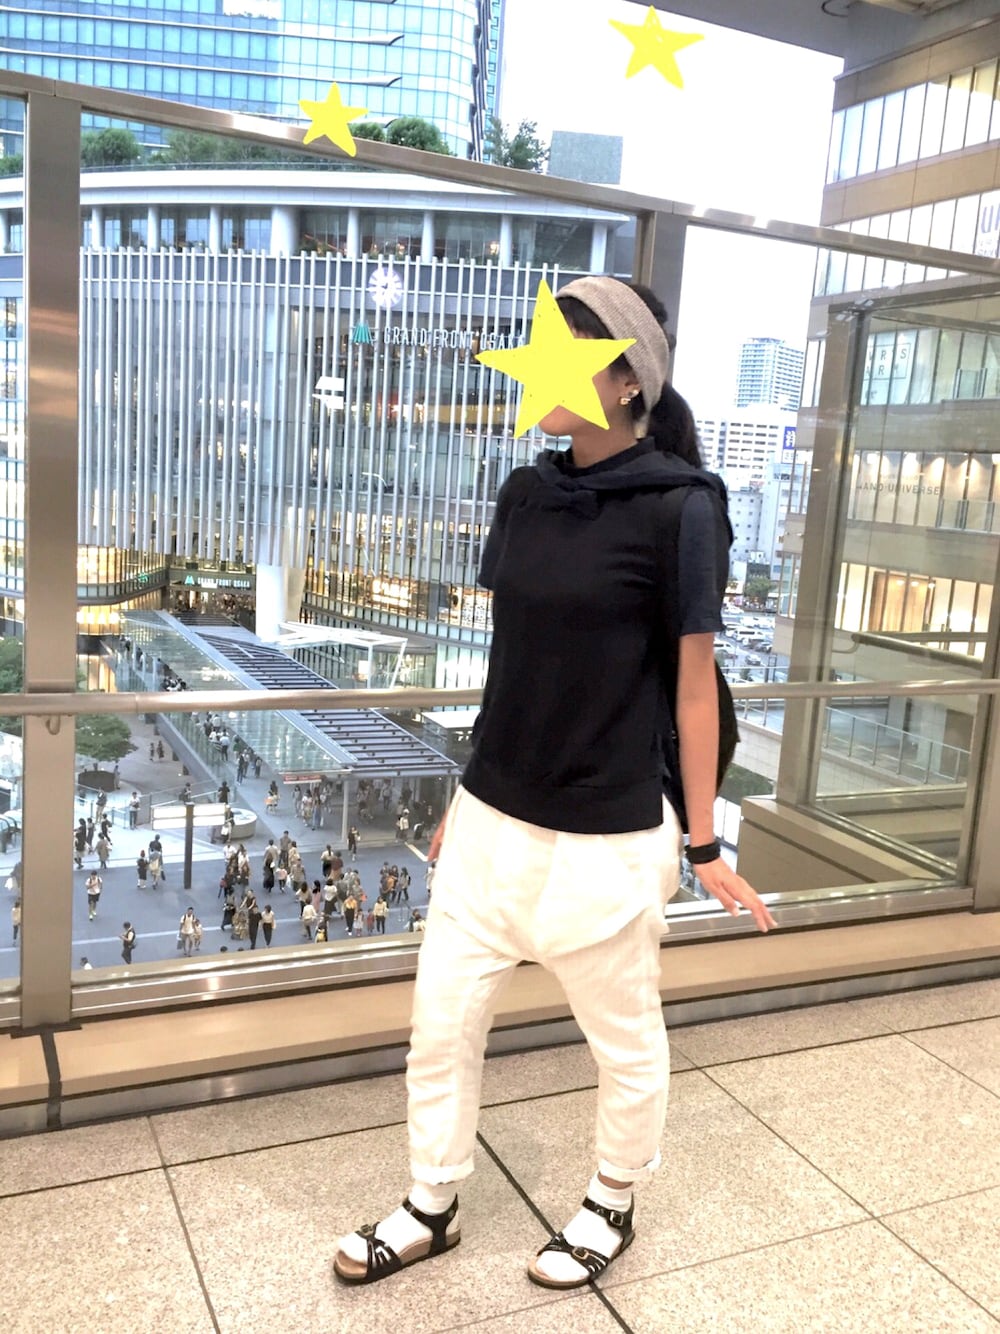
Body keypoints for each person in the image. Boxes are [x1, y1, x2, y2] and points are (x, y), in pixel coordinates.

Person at [333, 277, 775, 1289]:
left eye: (560, 352)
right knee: (440, 1027)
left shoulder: (681, 507)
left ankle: (611, 1200)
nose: (533, 371)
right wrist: (464, 794)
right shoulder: (525, 492)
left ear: (626, 381)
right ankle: (431, 1201)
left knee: (623, 1040)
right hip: (494, 818)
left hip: (606, 831)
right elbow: (513, 666)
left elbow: (694, 687)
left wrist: (704, 839)